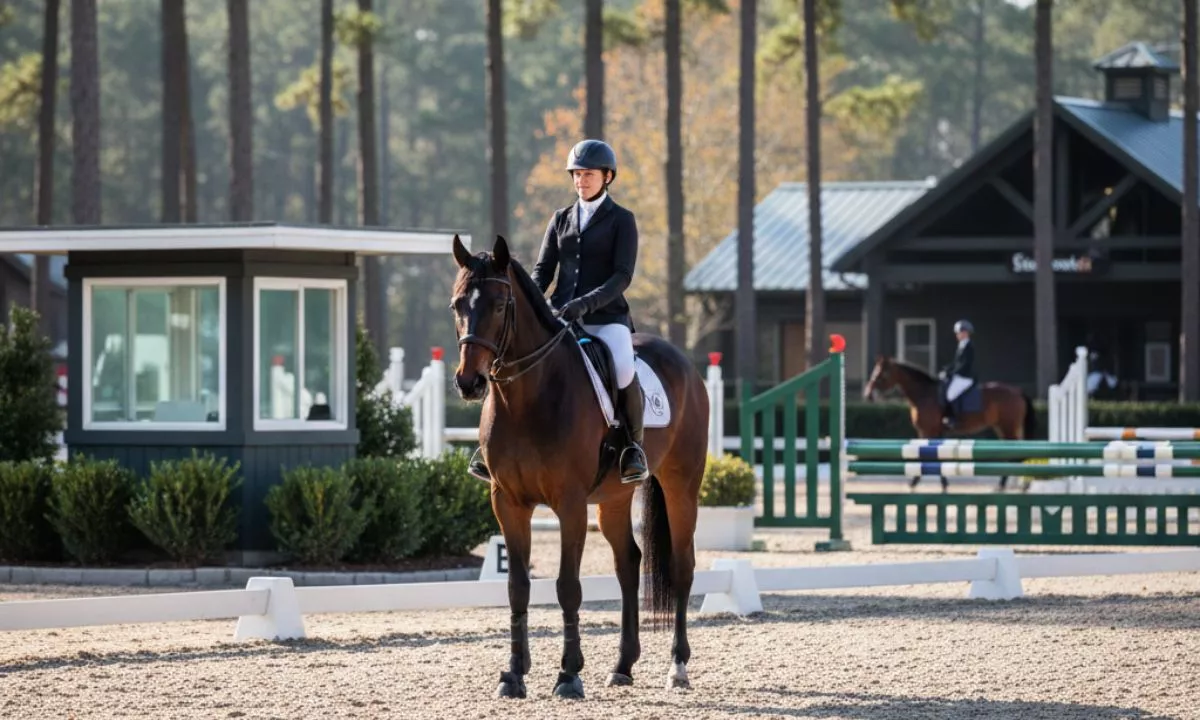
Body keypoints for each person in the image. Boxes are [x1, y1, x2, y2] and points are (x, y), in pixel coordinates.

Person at [468, 139, 649, 484]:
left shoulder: (622, 220)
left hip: (605, 317)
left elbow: (621, 276)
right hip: (559, 315)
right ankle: (491, 445)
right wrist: (533, 304)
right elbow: (541, 271)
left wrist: (585, 303)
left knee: (624, 367)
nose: (581, 181)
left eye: (589, 174)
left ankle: (632, 448)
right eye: (577, 175)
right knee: (509, 358)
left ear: (607, 176)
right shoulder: (560, 219)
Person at [939, 319, 977, 430]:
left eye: (959, 332)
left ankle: (953, 419)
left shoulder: (969, 346)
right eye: (957, 333)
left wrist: (951, 373)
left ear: (965, 333)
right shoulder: (961, 345)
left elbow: (965, 364)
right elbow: (956, 363)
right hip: (959, 375)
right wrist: (946, 370)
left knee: (950, 394)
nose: (957, 335)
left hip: (966, 376)